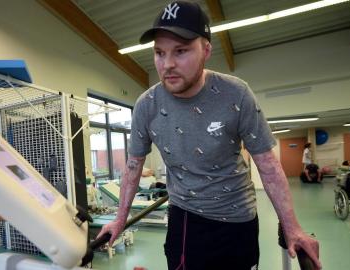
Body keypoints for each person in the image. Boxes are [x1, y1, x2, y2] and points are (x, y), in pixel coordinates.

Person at [97, 1, 321, 269]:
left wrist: (292, 227)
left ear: (206, 50)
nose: (167, 64)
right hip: (185, 218)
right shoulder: (147, 105)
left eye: (180, 51)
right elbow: (133, 167)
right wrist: (120, 219)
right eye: (159, 52)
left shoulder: (236, 94)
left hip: (238, 219)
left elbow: (269, 166)